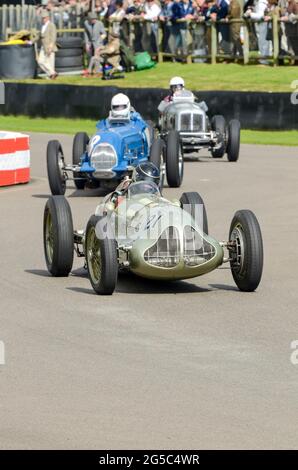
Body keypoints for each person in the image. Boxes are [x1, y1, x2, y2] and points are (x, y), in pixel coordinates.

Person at [37, 9, 58, 80]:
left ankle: (51, 76)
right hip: (43, 47)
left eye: (44, 18)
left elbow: (53, 36)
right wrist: (31, 41)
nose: (43, 19)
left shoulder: (51, 25)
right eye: (42, 18)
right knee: (40, 61)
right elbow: (39, 36)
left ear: (48, 17)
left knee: (50, 62)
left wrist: (51, 46)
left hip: (50, 46)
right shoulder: (42, 26)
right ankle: (52, 73)